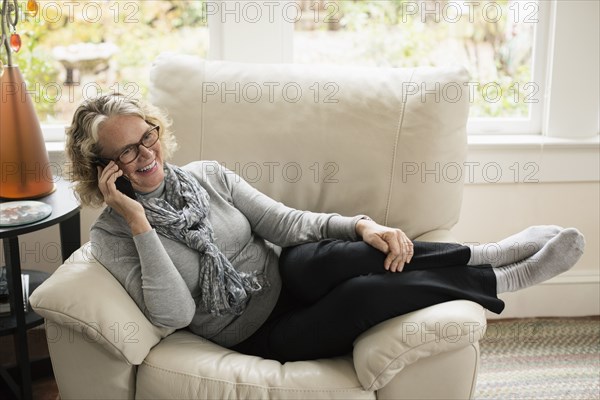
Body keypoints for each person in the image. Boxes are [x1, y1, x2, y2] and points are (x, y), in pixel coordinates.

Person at [66, 94, 585, 363]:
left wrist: (362, 224)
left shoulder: (207, 176)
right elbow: (174, 313)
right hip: (252, 333)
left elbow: (286, 222)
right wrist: (140, 223)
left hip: (284, 274)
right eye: (127, 150)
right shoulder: (113, 237)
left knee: (347, 253)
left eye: (147, 136)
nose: (146, 154)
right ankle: (508, 280)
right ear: (103, 168)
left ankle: (484, 253)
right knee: (362, 297)